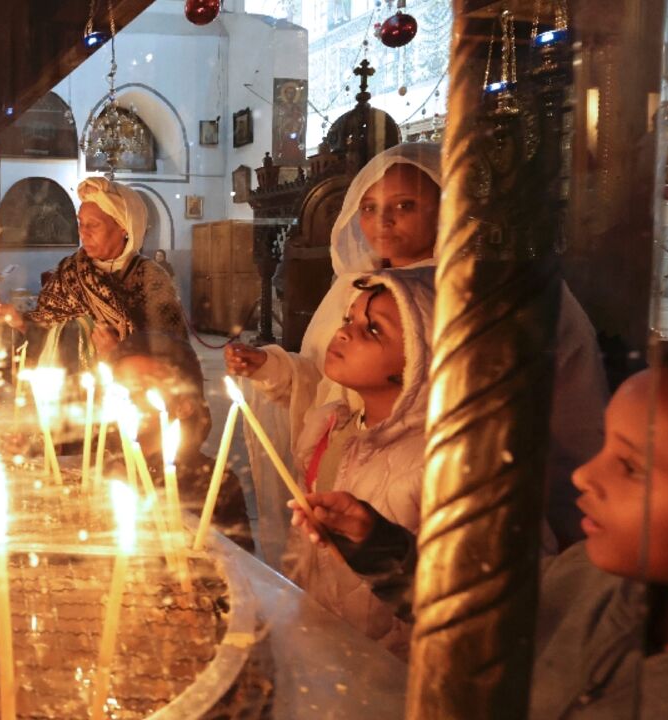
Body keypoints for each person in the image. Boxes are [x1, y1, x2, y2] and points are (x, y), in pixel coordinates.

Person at [227, 142, 608, 549]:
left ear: (448, 205)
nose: (383, 221)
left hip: (434, 482)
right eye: (369, 207)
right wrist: (272, 367)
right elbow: (328, 381)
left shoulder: (494, 292)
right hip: (350, 465)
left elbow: (552, 407)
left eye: (404, 205)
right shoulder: (355, 287)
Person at [289, 360, 668, 717]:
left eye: (630, 467)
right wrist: (377, 544)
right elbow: (481, 616)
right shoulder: (587, 577)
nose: (584, 475)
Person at [242, 266, 436, 656]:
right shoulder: (330, 427)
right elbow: (306, 544)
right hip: (317, 636)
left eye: (374, 330)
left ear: (419, 355)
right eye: (349, 319)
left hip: (388, 667)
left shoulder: (433, 464)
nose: (345, 332)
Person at [0, 177, 197, 383]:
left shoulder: (151, 279)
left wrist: (120, 353)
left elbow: (174, 354)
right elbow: (44, 330)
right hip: (73, 395)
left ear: (124, 227)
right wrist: (20, 321)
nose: (83, 232)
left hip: (126, 396)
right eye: (80, 223)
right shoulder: (70, 270)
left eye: (93, 225)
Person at [112, 332, 254, 553]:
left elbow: (238, 568)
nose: (127, 398)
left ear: (185, 405)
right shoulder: (105, 465)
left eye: (142, 387)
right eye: (121, 387)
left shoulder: (213, 484)